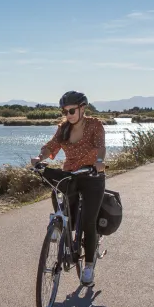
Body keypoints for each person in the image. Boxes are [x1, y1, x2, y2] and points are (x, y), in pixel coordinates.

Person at [32, 91, 106, 286]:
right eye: (65, 111)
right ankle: (60, 225)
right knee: (57, 193)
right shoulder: (63, 128)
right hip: (71, 174)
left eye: (71, 110)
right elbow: (52, 146)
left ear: (82, 108)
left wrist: (99, 162)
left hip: (92, 175)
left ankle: (89, 266)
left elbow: (100, 146)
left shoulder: (94, 125)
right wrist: (40, 158)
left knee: (89, 221)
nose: (68, 115)